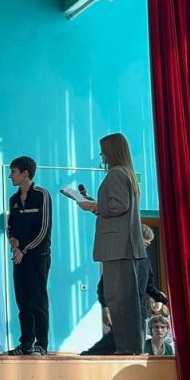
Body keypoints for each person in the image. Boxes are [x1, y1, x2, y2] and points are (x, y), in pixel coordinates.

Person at [79, 133, 147, 355]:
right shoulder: (127, 173)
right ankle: (130, 346)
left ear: (112, 150)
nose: (101, 155)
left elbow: (119, 205)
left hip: (117, 246)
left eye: (103, 150)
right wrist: (97, 205)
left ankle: (126, 347)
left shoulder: (116, 173)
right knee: (126, 299)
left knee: (119, 300)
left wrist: (95, 207)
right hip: (124, 245)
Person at [7, 156, 52, 356]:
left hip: (38, 256)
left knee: (37, 300)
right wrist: (13, 240)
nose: (10, 176)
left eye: (13, 172)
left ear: (25, 173)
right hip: (19, 257)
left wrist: (24, 249)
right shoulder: (14, 199)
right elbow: (10, 226)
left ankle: (41, 344)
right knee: (23, 301)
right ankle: (26, 343)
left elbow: (44, 229)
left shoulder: (42, 195)